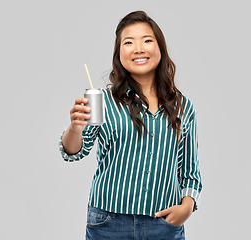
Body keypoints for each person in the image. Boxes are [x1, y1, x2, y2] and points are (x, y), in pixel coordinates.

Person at [59, 10, 202, 240]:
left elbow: (190, 172)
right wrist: (75, 127)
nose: (138, 48)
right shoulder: (103, 101)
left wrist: (186, 207)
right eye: (129, 42)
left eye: (147, 40)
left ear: (160, 48)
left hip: (163, 224)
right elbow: (74, 151)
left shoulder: (183, 107)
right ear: (119, 53)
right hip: (108, 223)